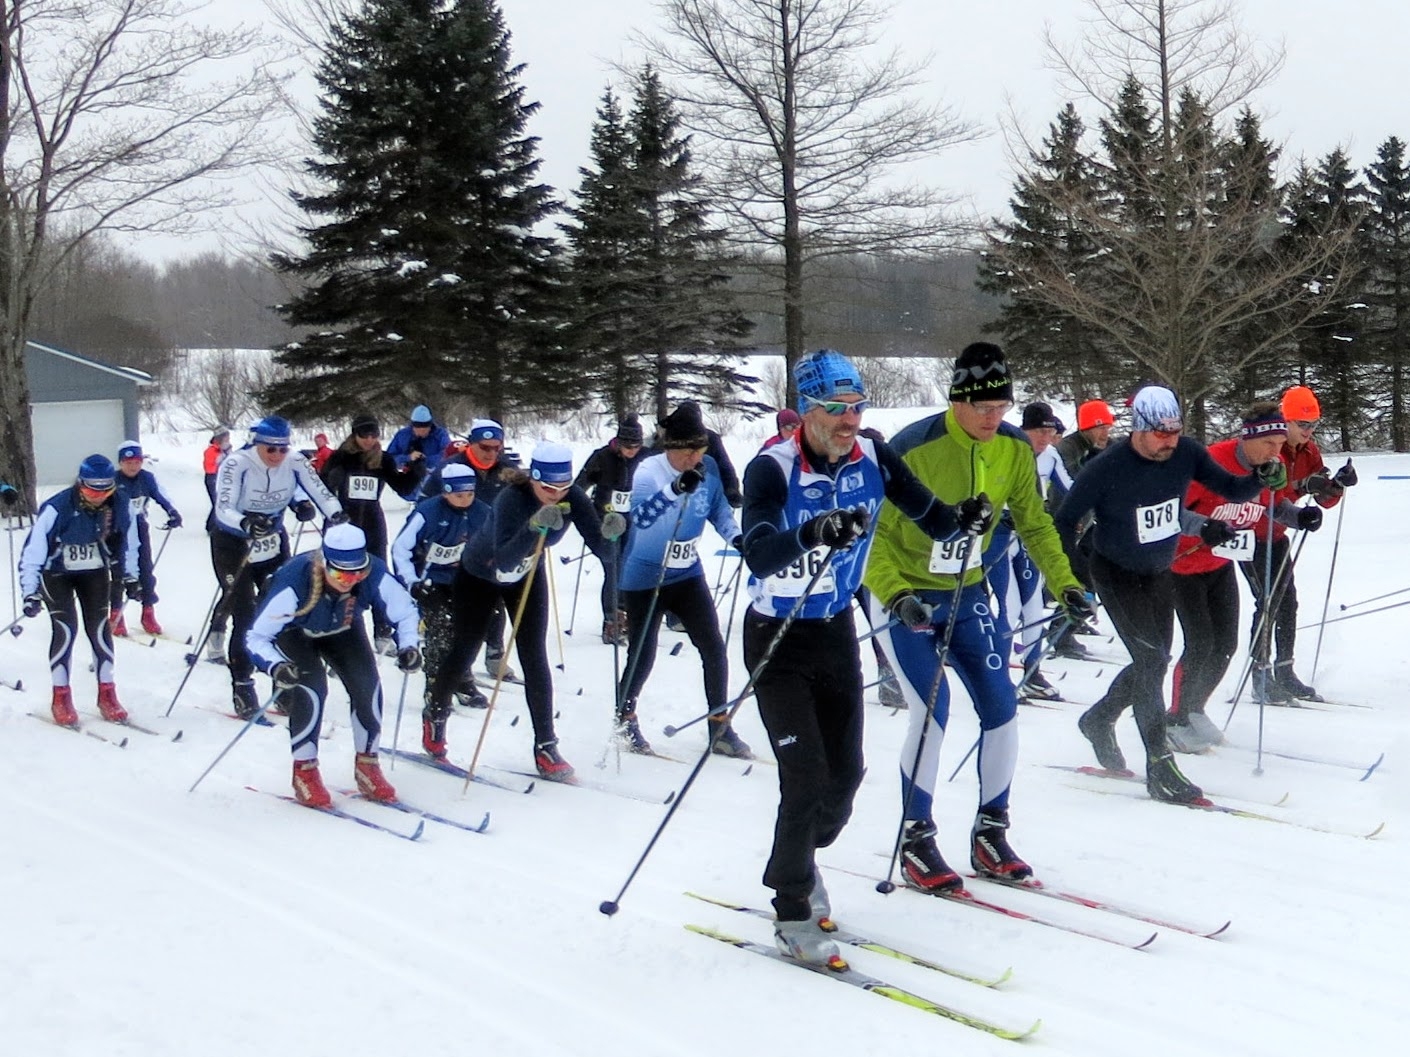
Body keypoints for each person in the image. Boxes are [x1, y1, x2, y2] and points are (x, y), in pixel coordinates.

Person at [739, 349, 976, 968]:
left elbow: (930, 514)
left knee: (846, 776)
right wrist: (814, 533)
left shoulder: (872, 453)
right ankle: (792, 904)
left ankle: (801, 856)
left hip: (835, 630)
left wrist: (964, 520)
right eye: (834, 410)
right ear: (805, 413)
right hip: (778, 634)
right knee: (806, 774)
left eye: (855, 407)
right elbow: (758, 552)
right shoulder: (772, 468)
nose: (848, 421)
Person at [864, 343, 1088, 892]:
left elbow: (1034, 523)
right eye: (983, 408)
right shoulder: (913, 448)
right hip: (905, 593)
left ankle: (991, 831)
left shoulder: (1013, 449)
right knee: (931, 710)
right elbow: (873, 540)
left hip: (966, 592)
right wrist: (896, 597)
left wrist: (1067, 585)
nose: (995, 419)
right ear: (956, 401)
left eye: (1003, 407)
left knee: (1001, 705)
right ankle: (917, 835)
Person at [1054, 385, 1281, 803]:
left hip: (1158, 571)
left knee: (1152, 661)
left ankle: (1099, 718)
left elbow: (1230, 491)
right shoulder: (1107, 467)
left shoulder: (1186, 453)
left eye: (1175, 431)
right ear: (1139, 428)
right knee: (1153, 659)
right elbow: (1065, 521)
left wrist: (1258, 479)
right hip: (1115, 573)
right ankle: (1159, 763)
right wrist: (1071, 581)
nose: (1169, 441)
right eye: (1160, 433)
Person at [422, 442, 623, 780]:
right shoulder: (511, 499)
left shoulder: (571, 496)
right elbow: (504, 559)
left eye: (561, 488)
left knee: (534, 657)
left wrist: (612, 533)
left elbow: (603, 549)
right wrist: (534, 527)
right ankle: (436, 715)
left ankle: (546, 745)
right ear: (534, 480)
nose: (554, 495)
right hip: (480, 575)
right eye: (547, 488)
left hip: (527, 576)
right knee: (465, 650)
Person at [1167, 402, 1315, 752]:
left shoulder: (1270, 467)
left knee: (1225, 645)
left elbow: (1273, 506)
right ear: (1248, 438)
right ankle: (1174, 717)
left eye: (1281, 443)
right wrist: (1203, 528)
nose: (1276, 452)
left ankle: (1194, 709)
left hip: (1218, 564)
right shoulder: (1212, 462)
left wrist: (1299, 517)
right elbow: (1171, 509)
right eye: (1269, 443)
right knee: (1200, 642)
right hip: (1178, 565)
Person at [247, 524, 422, 807]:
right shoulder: (294, 581)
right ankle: (305, 770)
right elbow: (256, 636)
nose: (349, 581)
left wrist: (409, 645)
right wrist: (277, 666)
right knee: (313, 687)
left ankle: (368, 764)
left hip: (343, 627)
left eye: (358, 573)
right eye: (340, 573)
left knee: (368, 684)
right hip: (295, 633)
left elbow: (405, 611)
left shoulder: (373, 573)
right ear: (324, 564)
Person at [616, 402, 748, 757]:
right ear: (671, 448)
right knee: (642, 654)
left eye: (700, 450)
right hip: (644, 575)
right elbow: (641, 519)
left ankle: (719, 727)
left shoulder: (708, 470)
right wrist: (675, 489)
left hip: (687, 573)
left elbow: (719, 511)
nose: (695, 458)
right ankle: (625, 717)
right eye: (688, 451)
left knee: (713, 647)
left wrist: (737, 538)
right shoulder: (648, 471)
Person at [213, 416, 344, 719]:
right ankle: (242, 684)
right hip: (234, 542)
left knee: (281, 611)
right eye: (270, 449)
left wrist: (332, 515)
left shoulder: (295, 461)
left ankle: (281, 682)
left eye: (283, 449)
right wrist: (245, 522)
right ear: (257, 443)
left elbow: (320, 492)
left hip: (271, 539)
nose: (277, 456)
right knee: (246, 613)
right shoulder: (237, 463)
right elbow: (223, 508)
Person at [1241, 386, 1356, 702]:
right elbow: (1264, 494)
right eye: (1302, 424)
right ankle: (1260, 675)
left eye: (1314, 425)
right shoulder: (1267, 448)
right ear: (1285, 420)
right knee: (1267, 600)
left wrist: (1337, 485)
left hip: (1277, 534)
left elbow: (1323, 497)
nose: (1308, 431)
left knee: (1287, 601)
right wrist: (1301, 485)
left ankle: (1285, 670)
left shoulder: (1310, 452)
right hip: (1247, 532)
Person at [18, 455, 138, 727]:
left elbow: (131, 542)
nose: (98, 496)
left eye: (104, 490)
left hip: (94, 572)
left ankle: (107, 693)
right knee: (65, 628)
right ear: (80, 484)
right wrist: (30, 591)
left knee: (99, 629)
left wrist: (132, 577)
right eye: (91, 490)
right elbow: (33, 551)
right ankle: (61, 696)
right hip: (56, 572)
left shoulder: (120, 504)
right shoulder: (58, 507)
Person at [320, 412, 425, 653]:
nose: (368, 440)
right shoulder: (341, 457)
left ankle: (382, 630)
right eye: (363, 434)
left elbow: (403, 488)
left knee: (377, 574)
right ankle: (337, 629)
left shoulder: (383, 459)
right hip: (343, 525)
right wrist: (330, 479)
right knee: (339, 578)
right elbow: (321, 489)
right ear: (354, 435)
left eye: (373, 435)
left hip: (372, 524)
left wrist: (415, 472)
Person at [425, 418, 519, 679]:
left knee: (496, 599)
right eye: (484, 447)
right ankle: (460, 663)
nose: (490, 453)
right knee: (462, 608)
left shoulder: (508, 471)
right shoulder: (450, 468)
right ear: (470, 445)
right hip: (455, 547)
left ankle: (495, 653)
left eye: (496, 448)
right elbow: (425, 508)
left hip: (492, 547)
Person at [391, 464, 488, 711]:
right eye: (458, 495)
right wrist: (411, 582)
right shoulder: (427, 512)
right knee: (441, 630)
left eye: (470, 494)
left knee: (468, 632)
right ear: (445, 492)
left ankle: (462, 679)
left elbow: (494, 544)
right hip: (430, 580)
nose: (465, 500)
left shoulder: (483, 512)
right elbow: (400, 549)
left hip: (464, 579)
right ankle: (434, 685)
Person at [575, 414, 647, 645]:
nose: (631, 452)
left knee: (630, 567)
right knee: (613, 567)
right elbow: (579, 486)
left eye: (636, 447)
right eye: (627, 447)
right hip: (604, 521)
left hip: (633, 521)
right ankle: (611, 621)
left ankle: (626, 615)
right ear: (618, 442)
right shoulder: (602, 457)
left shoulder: (646, 457)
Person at [108, 441, 181, 637]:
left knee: (146, 569)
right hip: (118, 530)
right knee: (118, 572)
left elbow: (160, 495)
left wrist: (172, 512)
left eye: (137, 462)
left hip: (140, 526)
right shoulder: (113, 480)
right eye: (128, 462)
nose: (132, 466)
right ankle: (116, 614)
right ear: (121, 463)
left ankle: (148, 612)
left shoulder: (146, 478)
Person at [202, 427, 233, 663]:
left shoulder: (232, 453)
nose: (226, 441)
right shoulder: (211, 450)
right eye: (224, 438)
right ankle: (216, 641)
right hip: (214, 479)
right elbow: (211, 467)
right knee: (231, 592)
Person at [386, 404, 452, 475]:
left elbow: (449, 455)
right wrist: (408, 458)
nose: (421, 433)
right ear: (413, 427)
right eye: (418, 431)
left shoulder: (440, 435)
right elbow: (389, 459)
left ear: (430, 427)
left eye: (424, 431)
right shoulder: (402, 435)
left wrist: (425, 460)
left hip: (435, 476)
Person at [1057, 399, 1115, 480]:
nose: (1105, 433)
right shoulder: (1068, 447)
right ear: (1087, 430)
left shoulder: (1112, 446)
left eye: (1108, 428)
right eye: (1101, 428)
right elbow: (1073, 476)